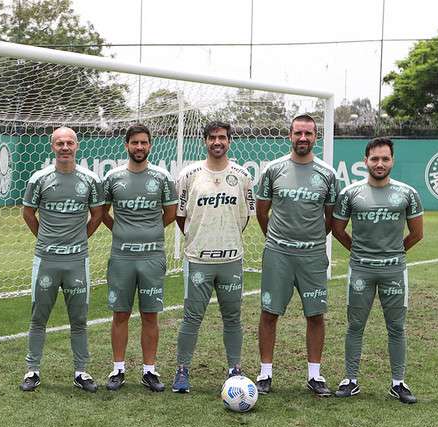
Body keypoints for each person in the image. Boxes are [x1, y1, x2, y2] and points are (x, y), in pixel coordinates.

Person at [331, 137, 423, 404]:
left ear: (392, 160)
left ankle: (398, 383)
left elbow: (417, 233)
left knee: (396, 327)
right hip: (360, 270)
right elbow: (338, 230)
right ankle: (350, 380)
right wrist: (360, 252)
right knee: (355, 325)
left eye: (385, 158)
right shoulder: (350, 193)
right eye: (375, 159)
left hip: (394, 271)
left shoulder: (407, 193)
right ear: (365, 161)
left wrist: (394, 254)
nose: (380, 163)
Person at [254, 114, 338, 397]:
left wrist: (311, 241)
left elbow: (331, 219)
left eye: (309, 134)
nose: (303, 138)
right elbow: (262, 212)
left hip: (312, 255)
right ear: (289, 135)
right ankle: (265, 373)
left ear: (316, 137)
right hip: (278, 253)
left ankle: (315, 375)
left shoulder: (327, 174)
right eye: (298, 133)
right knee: (269, 313)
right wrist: (278, 239)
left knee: (316, 315)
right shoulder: (273, 169)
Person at [171, 121, 255, 393]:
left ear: (229, 141)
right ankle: (182, 370)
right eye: (212, 138)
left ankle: (234, 370)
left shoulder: (242, 175)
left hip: (231, 260)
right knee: (191, 318)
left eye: (222, 137)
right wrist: (200, 240)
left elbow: (244, 218)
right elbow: (181, 216)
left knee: (232, 318)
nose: (217, 142)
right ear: (204, 141)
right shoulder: (189, 175)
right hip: (198, 260)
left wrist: (225, 238)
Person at [19, 126, 103, 393]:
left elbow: (97, 215)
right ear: (52, 147)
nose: (65, 147)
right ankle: (32, 370)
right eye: (59, 143)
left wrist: (79, 240)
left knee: (78, 319)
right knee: (38, 317)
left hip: (77, 261)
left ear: (77, 146)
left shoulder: (90, 179)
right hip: (46, 260)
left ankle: (81, 371)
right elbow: (28, 214)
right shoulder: (39, 178)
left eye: (69, 143)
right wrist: (45, 239)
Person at [101, 124, 177, 392]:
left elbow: (170, 213)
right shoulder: (113, 177)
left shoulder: (162, 177)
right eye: (135, 143)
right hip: (121, 257)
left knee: (150, 315)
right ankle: (118, 369)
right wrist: (121, 231)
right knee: (120, 313)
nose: (140, 147)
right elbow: (102, 212)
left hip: (152, 257)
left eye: (144, 143)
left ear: (150, 145)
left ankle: (149, 371)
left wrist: (149, 232)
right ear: (127, 145)